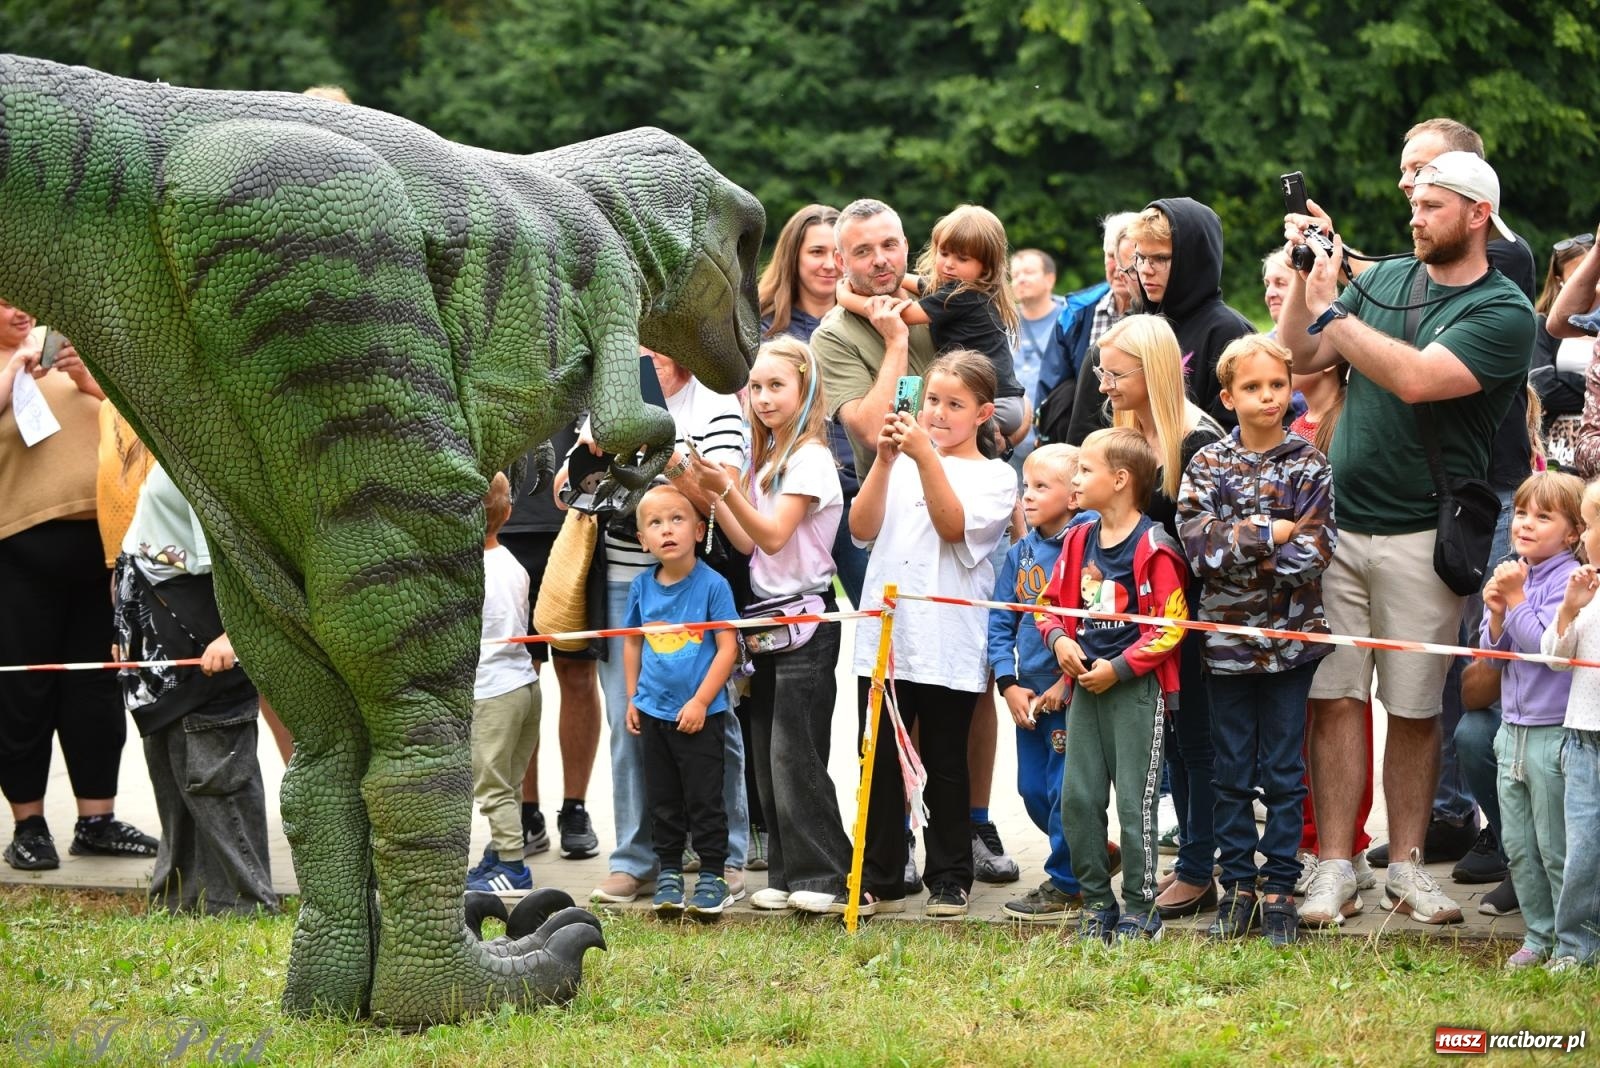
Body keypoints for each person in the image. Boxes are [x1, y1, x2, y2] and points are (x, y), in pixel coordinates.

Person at [1279, 150, 1535, 926]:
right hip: (1340, 525)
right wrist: (1306, 281)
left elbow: (1418, 376)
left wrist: (1334, 311)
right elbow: (1301, 355)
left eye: (1431, 205)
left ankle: (1410, 866)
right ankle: (1334, 867)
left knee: (1418, 710)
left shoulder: (1505, 309)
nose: (1414, 216)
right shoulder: (1385, 278)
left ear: (1477, 213)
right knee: (1334, 698)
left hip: (1427, 533)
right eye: (1414, 203)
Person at [813, 199, 1019, 892]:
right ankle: (883, 858)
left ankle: (963, 844)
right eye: (863, 250)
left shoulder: (946, 301)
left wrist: (933, 443)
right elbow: (872, 441)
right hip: (889, 550)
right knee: (884, 730)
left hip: (961, 542)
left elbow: (996, 413)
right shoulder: (838, 336)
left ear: (909, 247)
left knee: (956, 720)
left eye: (891, 245)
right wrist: (894, 345)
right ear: (842, 261)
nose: (881, 260)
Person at [1177, 335, 1337, 945]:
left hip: (1294, 643)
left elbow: (1315, 553)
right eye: (1251, 387)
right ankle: (1238, 888)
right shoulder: (1208, 464)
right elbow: (1198, 546)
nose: (1266, 396)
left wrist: (1238, 544)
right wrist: (1270, 533)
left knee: (1284, 770)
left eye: (1276, 385)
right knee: (1231, 770)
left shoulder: (1310, 463)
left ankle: (1279, 894)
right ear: (1227, 396)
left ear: (1290, 388)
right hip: (1226, 647)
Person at [687, 335, 853, 915]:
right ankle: (787, 873)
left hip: (808, 618)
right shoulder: (769, 459)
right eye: (755, 387)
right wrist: (708, 489)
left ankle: (830, 877)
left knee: (796, 753)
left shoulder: (808, 458)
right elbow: (747, 542)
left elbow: (776, 534)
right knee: (768, 755)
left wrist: (727, 488)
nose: (762, 397)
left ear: (805, 389)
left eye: (776, 385)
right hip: (769, 620)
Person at [850, 350, 1017, 918]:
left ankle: (950, 876)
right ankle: (880, 872)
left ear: (983, 413)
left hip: (947, 641)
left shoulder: (996, 476)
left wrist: (923, 457)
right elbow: (860, 527)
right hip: (885, 639)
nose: (939, 414)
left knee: (945, 759)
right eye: (932, 402)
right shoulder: (897, 463)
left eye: (954, 404)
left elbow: (952, 528)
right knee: (876, 758)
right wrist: (884, 460)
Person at [588, 351, 751, 906]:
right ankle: (637, 861)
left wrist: (664, 455)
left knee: (714, 729)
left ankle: (723, 858)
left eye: (660, 341)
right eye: (640, 343)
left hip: (699, 582)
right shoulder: (614, 396)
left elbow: (719, 496)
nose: (648, 354)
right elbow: (573, 481)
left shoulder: (715, 404)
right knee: (629, 721)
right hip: (624, 581)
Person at [0, 310, 158, 871]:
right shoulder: (9, 366)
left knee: (95, 689)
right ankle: (29, 825)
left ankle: (97, 820)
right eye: (5, 301)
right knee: (26, 693)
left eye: (26, 301)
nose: (20, 311)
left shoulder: (78, 361)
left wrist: (93, 384)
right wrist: (15, 367)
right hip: (16, 552)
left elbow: (138, 429)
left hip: (101, 550)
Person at [1094, 313, 1225, 919]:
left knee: (1195, 744)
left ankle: (1200, 869)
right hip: (1138, 623)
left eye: (1114, 374)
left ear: (1154, 372)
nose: (1103, 386)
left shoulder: (1196, 442)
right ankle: (1187, 862)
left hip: (1189, 619)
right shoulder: (1126, 434)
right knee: (1168, 743)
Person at [1038, 426, 1188, 941]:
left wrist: (1119, 668)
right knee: (1077, 798)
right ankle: (1096, 904)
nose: (1074, 479)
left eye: (1084, 469)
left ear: (1120, 480)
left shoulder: (1154, 546)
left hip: (1134, 694)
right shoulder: (1078, 538)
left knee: (1133, 803)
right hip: (1084, 691)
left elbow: (1172, 627)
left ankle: (1140, 910)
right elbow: (1048, 605)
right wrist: (1059, 642)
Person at [114, 458, 276, 915]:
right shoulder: (172, 434)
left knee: (217, 779)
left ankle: (248, 905)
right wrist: (125, 631)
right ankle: (179, 903)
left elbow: (249, 560)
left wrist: (235, 635)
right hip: (155, 635)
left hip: (203, 638)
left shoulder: (214, 459)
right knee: (171, 777)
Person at [992, 444, 1104, 922]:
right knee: (1032, 792)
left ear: (1074, 496)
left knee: (1065, 793)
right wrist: (1008, 683)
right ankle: (1094, 852)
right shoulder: (1019, 554)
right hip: (1028, 698)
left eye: (1041, 487)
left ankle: (1068, 884)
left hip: (1070, 695)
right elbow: (1000, 623)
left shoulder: (1092, 550)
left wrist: (1067, 682)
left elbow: (1099, 623)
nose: (1028, 497)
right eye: (1026, 487)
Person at [1479, 471, 1583, 967]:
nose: (1526, 523)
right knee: (1518, 846)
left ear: (1572, 533)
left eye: (1544, 517)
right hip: (1511, 731)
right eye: (1521, 512)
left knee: (1557, 847)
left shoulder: (1571, 581)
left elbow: (1545, 648)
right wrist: (1496, 613)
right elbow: (1492, 656)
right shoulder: (1513, 571)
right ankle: (1538, 938)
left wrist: (1515, 601)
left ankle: (1575, 942)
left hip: (1553, 732)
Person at [623, 485, 740, 918]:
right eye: (654, 523)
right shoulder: (640, 588)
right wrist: (633, 697)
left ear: (697, 530)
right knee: (663, 798)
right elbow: (632, 645)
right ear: (642, 540)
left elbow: (728, 648)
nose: (666, 530)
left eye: (676, 519)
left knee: (706, 797)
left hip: (701, 715)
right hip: (654, 712)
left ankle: (713, 874)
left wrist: (699, 701)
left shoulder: (713, 585)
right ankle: (669, 871)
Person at [835, 204, 1028, 442]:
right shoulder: (962, 289)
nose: (948, 264)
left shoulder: (962, 295)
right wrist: (890, 271)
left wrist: (845, 297)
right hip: (1005, 401)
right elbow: (921, 284)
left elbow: (901, 315)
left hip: (997, 404)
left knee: (929, 432)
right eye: (944, 254)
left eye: (962, 258)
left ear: (985, 267)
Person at [501, 425, 601, 862]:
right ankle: (526, 813)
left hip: (574, 523)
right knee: (518, 681)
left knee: (578, 674)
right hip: (504, 531)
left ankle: (575, 809)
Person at [465, 472, 543, 896]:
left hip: (491, 689)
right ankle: (498, 853)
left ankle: (512, 868)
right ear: (509, 512)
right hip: (525, 685)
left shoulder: (470, 572)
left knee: (492, 783)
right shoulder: (512, 562)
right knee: (511, 779)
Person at [1540, 477, 1600, 972]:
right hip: (1583, 741)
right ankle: (1575, 949)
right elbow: (1556, 661)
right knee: (1582, 852)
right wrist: (1566, 612)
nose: (1583, 535)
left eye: (1592, 523)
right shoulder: (1584, 589)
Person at [1055, 212, 1141, 447]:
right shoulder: (1077, 311)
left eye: (1128, 259)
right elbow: (1054, 383)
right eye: (1111, 256)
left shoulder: (1153, 319)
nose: (1118, 268)